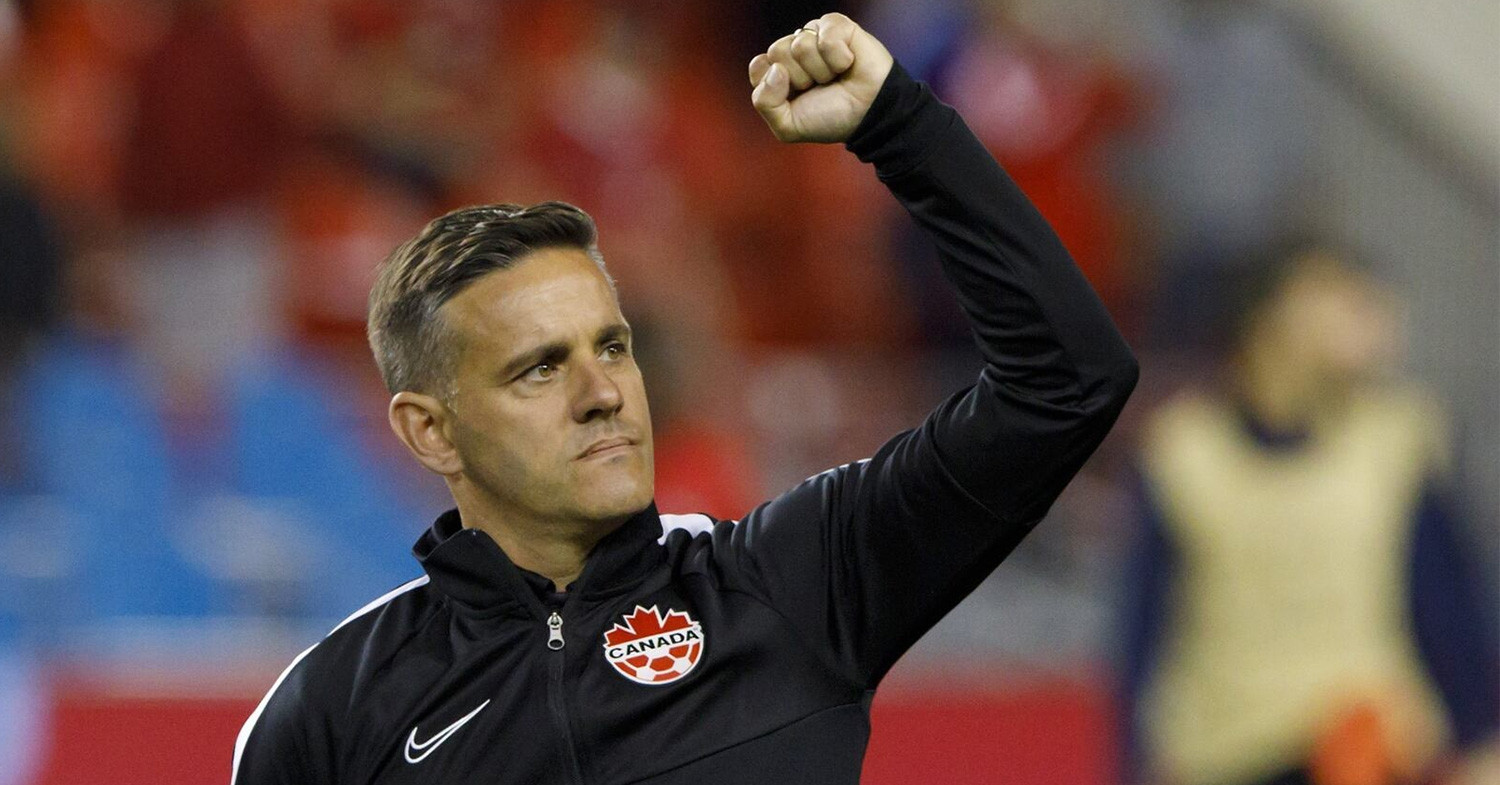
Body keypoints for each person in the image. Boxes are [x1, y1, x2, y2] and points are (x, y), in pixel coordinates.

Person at [231, 13, 1137, 784]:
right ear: (430, 430)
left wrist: (901, 124)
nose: (603, 394)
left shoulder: (788, 582)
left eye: (612, 347)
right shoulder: (328, 711)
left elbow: (1066, 381)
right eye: (540, 367)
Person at [1118, 243, 1498, 785]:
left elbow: (1446, 602)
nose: (1367, 313)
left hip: (1367, 743)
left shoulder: (1399, 440)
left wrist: (1481, 740)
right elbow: (1146, 620)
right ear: (1266, 318)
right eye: (1333, 294)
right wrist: (1133, 758)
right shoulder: (1184, 452)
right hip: (1223, 750)